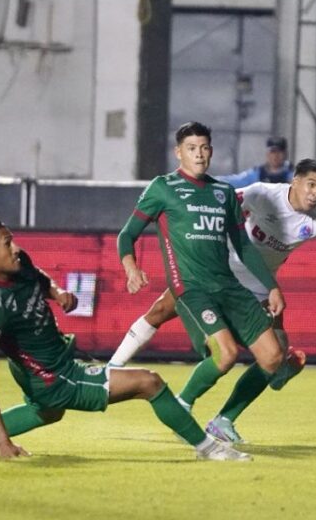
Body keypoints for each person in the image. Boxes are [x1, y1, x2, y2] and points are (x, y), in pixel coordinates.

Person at [109, 158, 316, 444]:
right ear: (294, 181)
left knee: (274, 354)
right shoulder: (261, 193)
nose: (315, 193)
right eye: (310, 185)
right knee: (161, 311)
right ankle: (113, 369)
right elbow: (214, 204)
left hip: (258, 289)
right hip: (217, 273)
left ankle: (222, 420)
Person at [0, 219, 245, 461]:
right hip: (53, 377)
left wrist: (58, 292)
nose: (16, 247)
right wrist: (3, 444)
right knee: (150, 383)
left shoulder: (20, 264)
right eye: (7, 243)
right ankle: (208, 448)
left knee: (46, 412)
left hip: (54, 363)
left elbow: (40, 278)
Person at [117, 121, 288, 461]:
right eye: (192, 148)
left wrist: (272, 287)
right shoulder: (162, 188)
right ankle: (182, 404)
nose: (199, 153)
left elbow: (243, 244)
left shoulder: (223, 192)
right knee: (225, 355)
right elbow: (127, 234)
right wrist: (131, 267)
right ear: (178, 152)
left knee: (274, 357)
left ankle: (223, 420)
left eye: (204, 147)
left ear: (211, 151)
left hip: (229, 285)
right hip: (192, 289)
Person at [222, 136, 294, 188]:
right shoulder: (258, 173)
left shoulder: (293, 175)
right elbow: (235, 181)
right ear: (267, 154)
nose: (276, 156)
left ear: (285, 154)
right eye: (273, 152)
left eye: (279, 152)